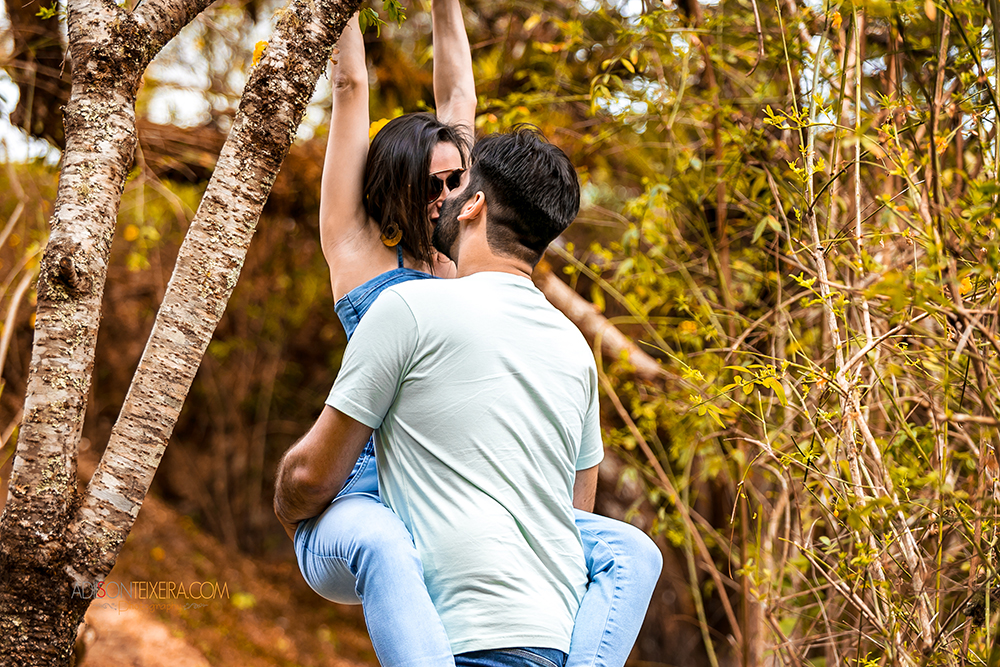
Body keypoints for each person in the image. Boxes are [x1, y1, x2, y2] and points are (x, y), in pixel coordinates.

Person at [275, 4, 662, 666]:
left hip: (469, 486)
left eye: (460, 181)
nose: (450, 194)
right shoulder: (358, 247)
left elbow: (457, 98)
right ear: (398, 186)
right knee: (385, 545)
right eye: (434, 185)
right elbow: (350, 89)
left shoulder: (466, 261)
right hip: (369, 482)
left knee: (629, 547)